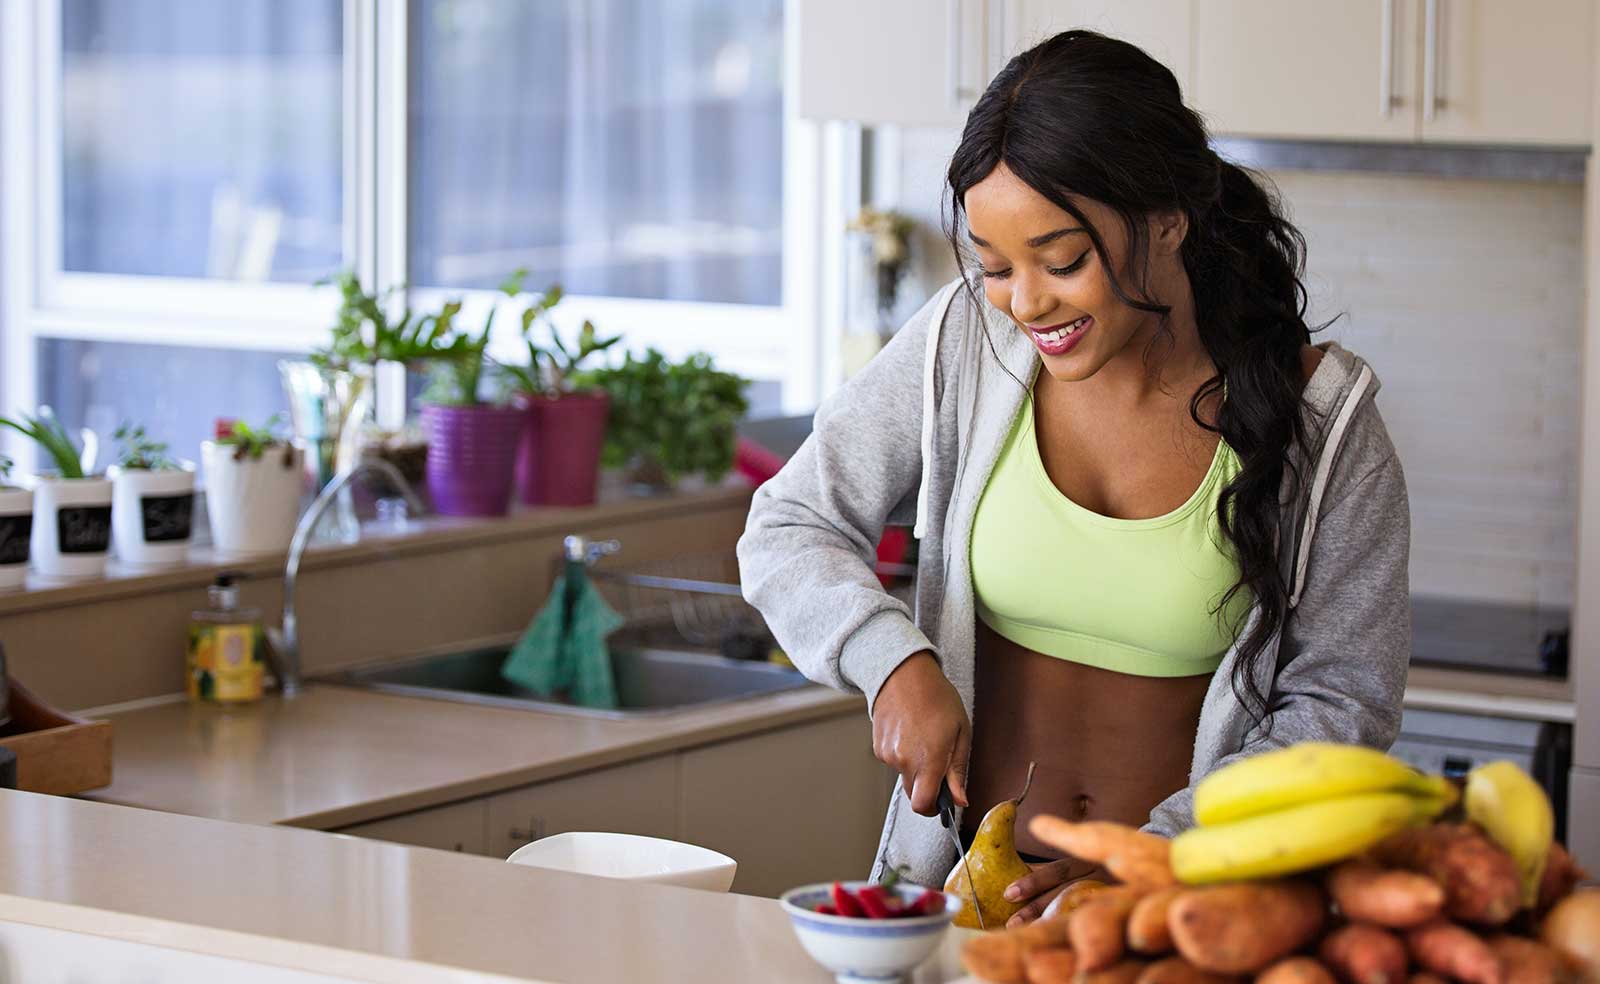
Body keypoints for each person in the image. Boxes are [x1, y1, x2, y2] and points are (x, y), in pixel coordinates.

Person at [737, 30, 1410, 925]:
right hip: (964, 909)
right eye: (994, 267)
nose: (1026, 303)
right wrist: (892, 659)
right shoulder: (964, 344)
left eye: (1062, 261)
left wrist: (1153, 864)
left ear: (1168, 218)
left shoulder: (1322, 419)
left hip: (1183, 920)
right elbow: (788, 524)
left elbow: (1339, 708)